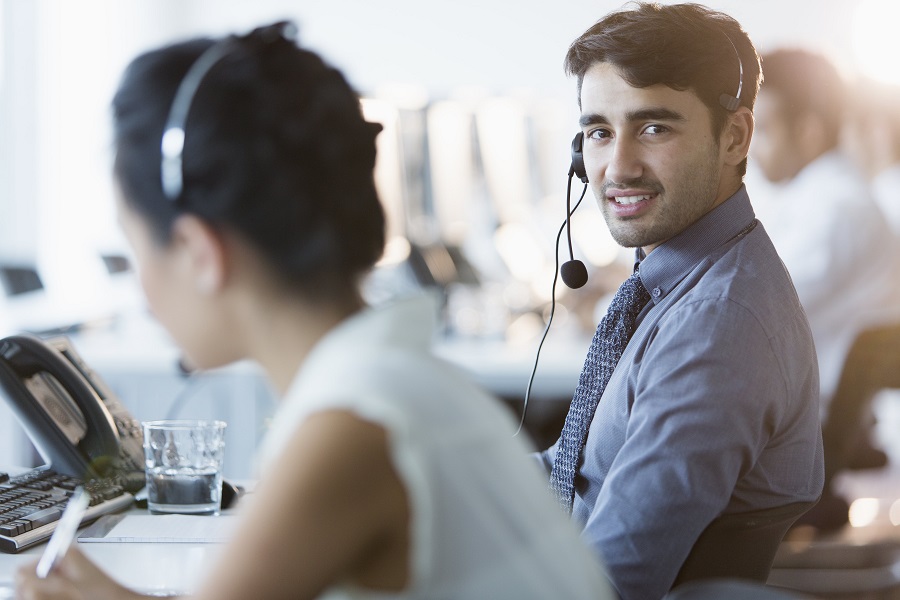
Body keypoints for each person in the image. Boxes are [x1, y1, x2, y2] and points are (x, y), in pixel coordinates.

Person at [16, 22, 612, 600]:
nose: (142, 288)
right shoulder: (396, 387)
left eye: (137, 245)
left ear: (199, 252)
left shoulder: (353, 427)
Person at [536, 4, 823, 599]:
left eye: (654, 128)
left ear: (735, 137)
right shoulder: (673, 282)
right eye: (598, 132)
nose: (617, 168)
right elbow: (573, 472)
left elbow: (611, 579)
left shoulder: (717, 325)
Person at [750, 50, 900, 530]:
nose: (750, 148)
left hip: (790, 445)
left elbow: (744, 310)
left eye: (764, 130)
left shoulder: (837, 210)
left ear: (809, 130)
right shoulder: (819, 197)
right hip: (792, 424)